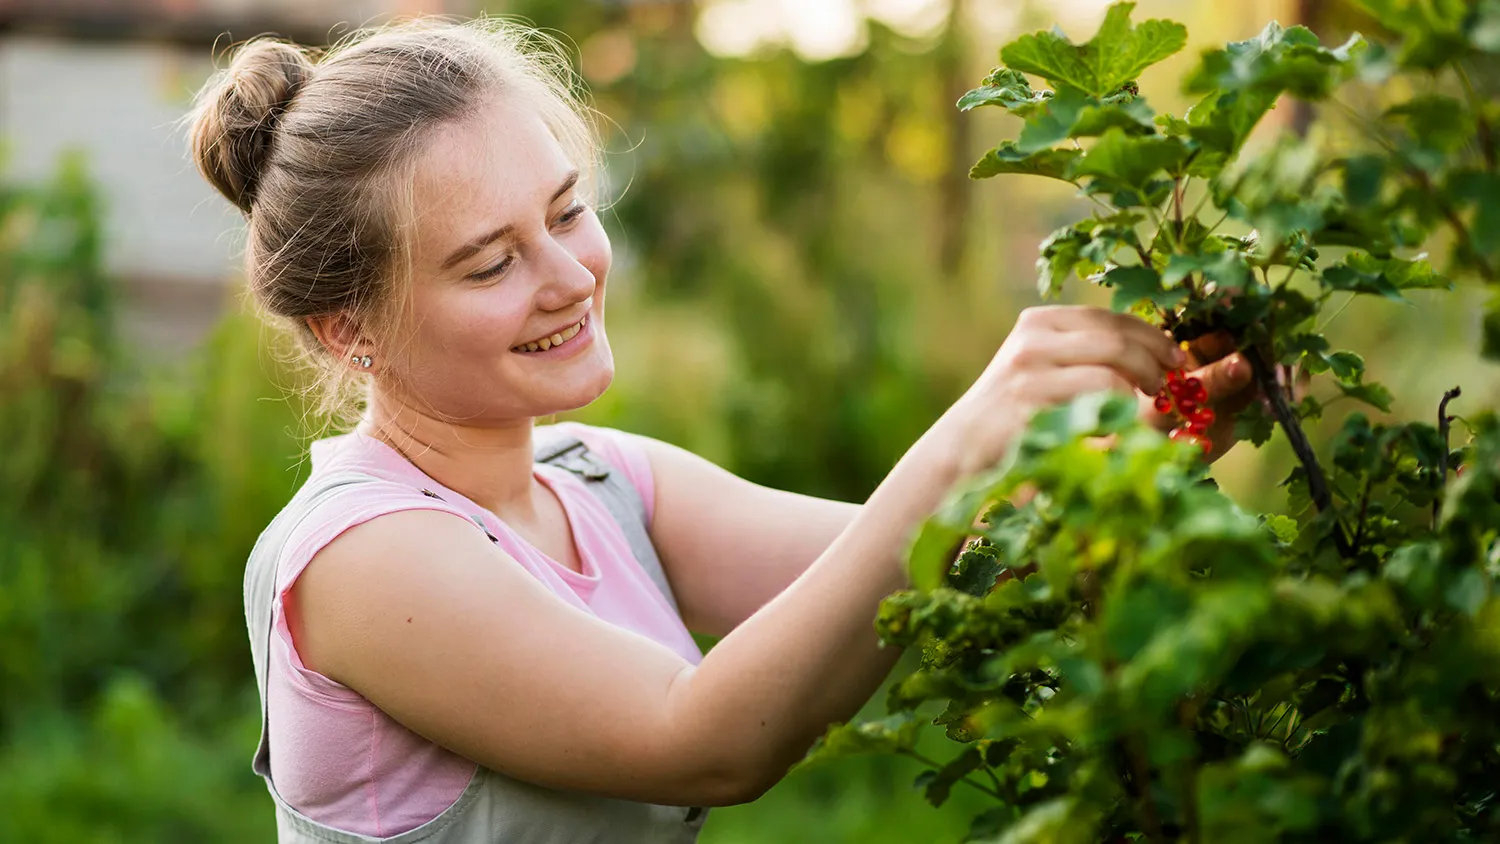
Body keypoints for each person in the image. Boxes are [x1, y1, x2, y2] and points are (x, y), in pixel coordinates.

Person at [187, 17, 1254, 844]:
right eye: (491, 262)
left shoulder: (600, 481)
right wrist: (966, 434)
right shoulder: (361, 556)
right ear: (348, 329)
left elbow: (955, 575)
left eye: (565, 213)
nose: (571, 277)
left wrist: (1158, 433)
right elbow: (701, 740)